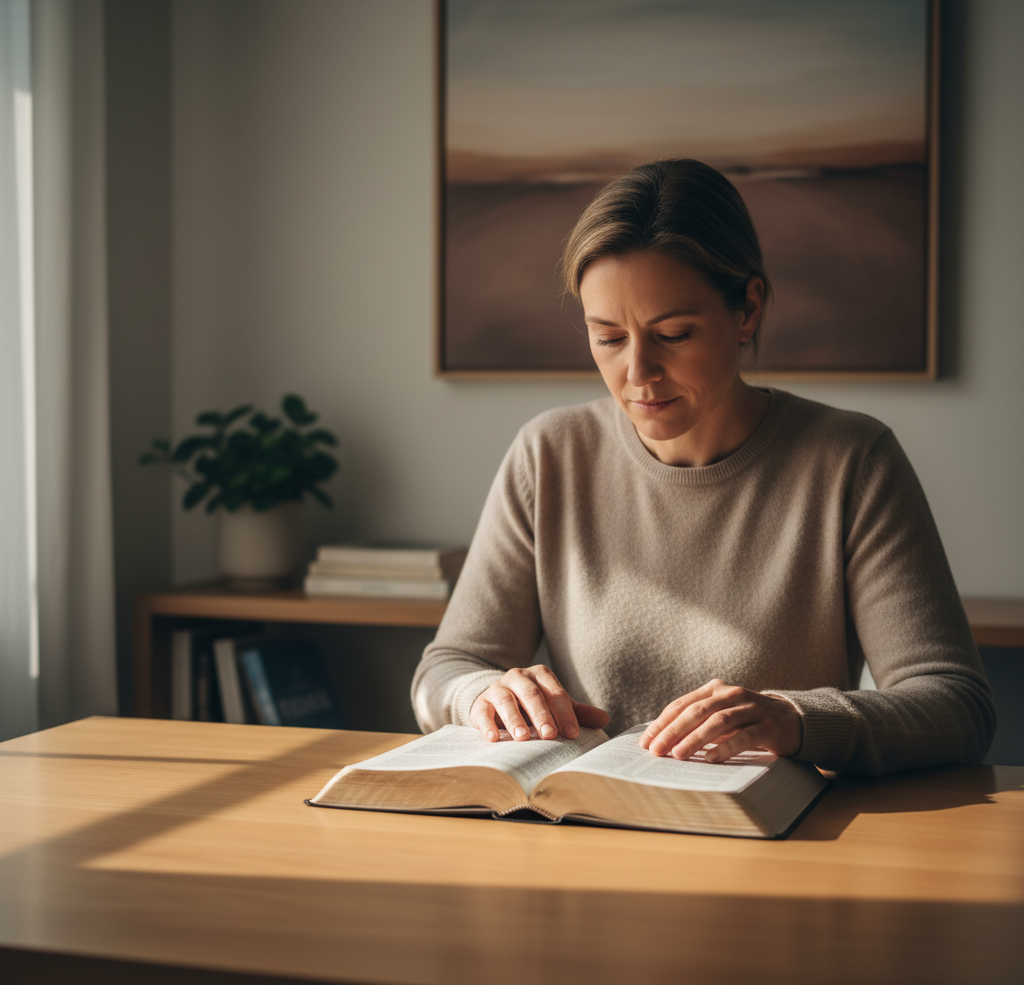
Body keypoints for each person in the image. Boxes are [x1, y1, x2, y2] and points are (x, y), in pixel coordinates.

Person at [411, 159, 994, 775]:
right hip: (585, 837)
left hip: (776, 849)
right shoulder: (549, 453)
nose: (638, 374)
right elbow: (443, 672)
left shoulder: (852, 461)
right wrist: (482, 694)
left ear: (747, 310)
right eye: (608, 337)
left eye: (675, 334)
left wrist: (796, 722)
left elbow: (957, 705)